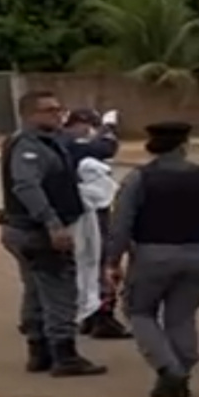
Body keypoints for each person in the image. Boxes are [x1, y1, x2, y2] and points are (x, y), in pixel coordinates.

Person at [105, 122, 199, 397]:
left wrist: (113, 260)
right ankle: (182, 371)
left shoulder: (140, 178)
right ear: (184, 146)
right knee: (181, 316)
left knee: (140, 312)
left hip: (152, 254)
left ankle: (169, 369)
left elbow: (121, 223)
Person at [0, 91, 108, 377]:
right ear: (29, 115)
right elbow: (26, 186)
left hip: (24, 229)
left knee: (36, 289)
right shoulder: (29, 147)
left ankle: (39, 352)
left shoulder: (48, 142)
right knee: (60, 289)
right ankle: (64, 354)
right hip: (35, 231)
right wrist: (53, 224)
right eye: (49, 111)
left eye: (59, 109)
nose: (58, 115)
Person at [62, 107, 130, 339]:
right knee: (102, 261)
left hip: (77, 211)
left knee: (86, 265)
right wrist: (108, 128)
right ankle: (102, 316)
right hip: (89, 211)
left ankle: (89, 315)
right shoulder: (70, 142)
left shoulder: (57, 142)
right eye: (88, 126)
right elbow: (105, 148)